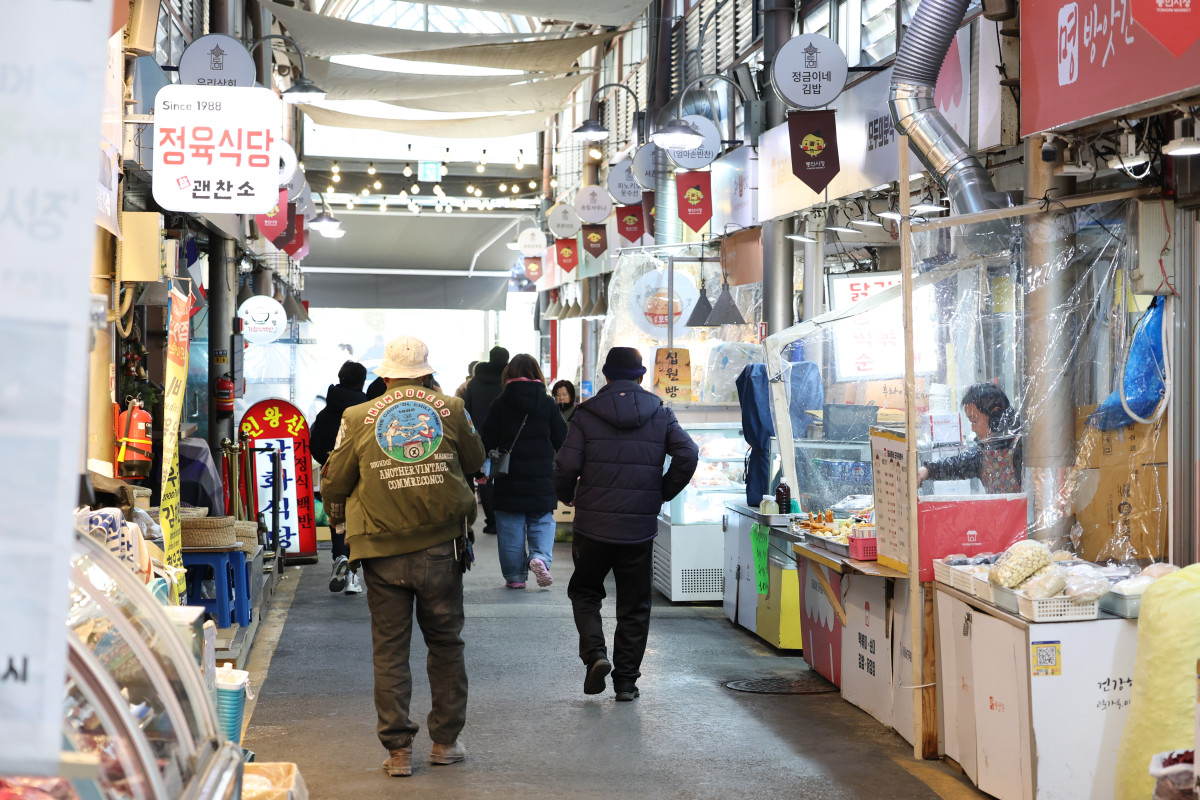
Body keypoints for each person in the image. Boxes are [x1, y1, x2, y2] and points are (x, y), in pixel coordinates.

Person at [322, 335, 485, 778]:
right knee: (446, 645)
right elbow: (476, 458)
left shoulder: (356, 416)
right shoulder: (451, 408)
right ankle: (445, 743)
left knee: (390, 651)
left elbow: (334, 482)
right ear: (427, 371)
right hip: (441, 550)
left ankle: (398, 753)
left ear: (385, 373)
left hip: (380, 551)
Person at [554, 347, 698, 702]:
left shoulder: (585, 415)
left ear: (606, 376)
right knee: (634, 605)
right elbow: (689, 454)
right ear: (641, 376)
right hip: (638, 528)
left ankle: (595, 655)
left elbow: (565, 464)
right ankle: (626, 683)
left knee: (585, 591)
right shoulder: (661, 414)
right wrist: (662, 492)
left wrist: (566, 495)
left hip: (592, 526)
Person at [481, 354, 567, 589]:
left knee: (510, 526)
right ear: (537, 374)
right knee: (542, 520)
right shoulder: (548, 403)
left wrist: (483, 466)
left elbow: (486, 439)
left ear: (508, 374)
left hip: (509, 477)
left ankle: (516, 577)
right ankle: (540, 557)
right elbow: (563, 439)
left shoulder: (500, 402)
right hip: (541, 477)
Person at [310, 360, 368, 594]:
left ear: (340, 377)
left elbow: (314, 443)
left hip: (333, 473)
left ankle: (341, 558)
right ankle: (353, 576)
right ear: (362, 382)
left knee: (338, 519)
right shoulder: (368, 410)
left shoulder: (327, 412)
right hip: (364, 474)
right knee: (362, 521)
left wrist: (329, 462)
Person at [917, 382, 1023, 493]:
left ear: (995, 417)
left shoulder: (1020, 447)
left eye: (974, 421)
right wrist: (927, 470)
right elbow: (959, 464)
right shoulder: (985, 451)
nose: (973, 428)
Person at [463, 346, 509, 534]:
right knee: (505, 474)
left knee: (484, 478)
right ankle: (504, 518)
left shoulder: (474, 382)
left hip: (480, 436)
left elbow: (466, 410)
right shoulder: (506, 381)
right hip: (505, 435)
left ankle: (492, 521)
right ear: (506, 361)